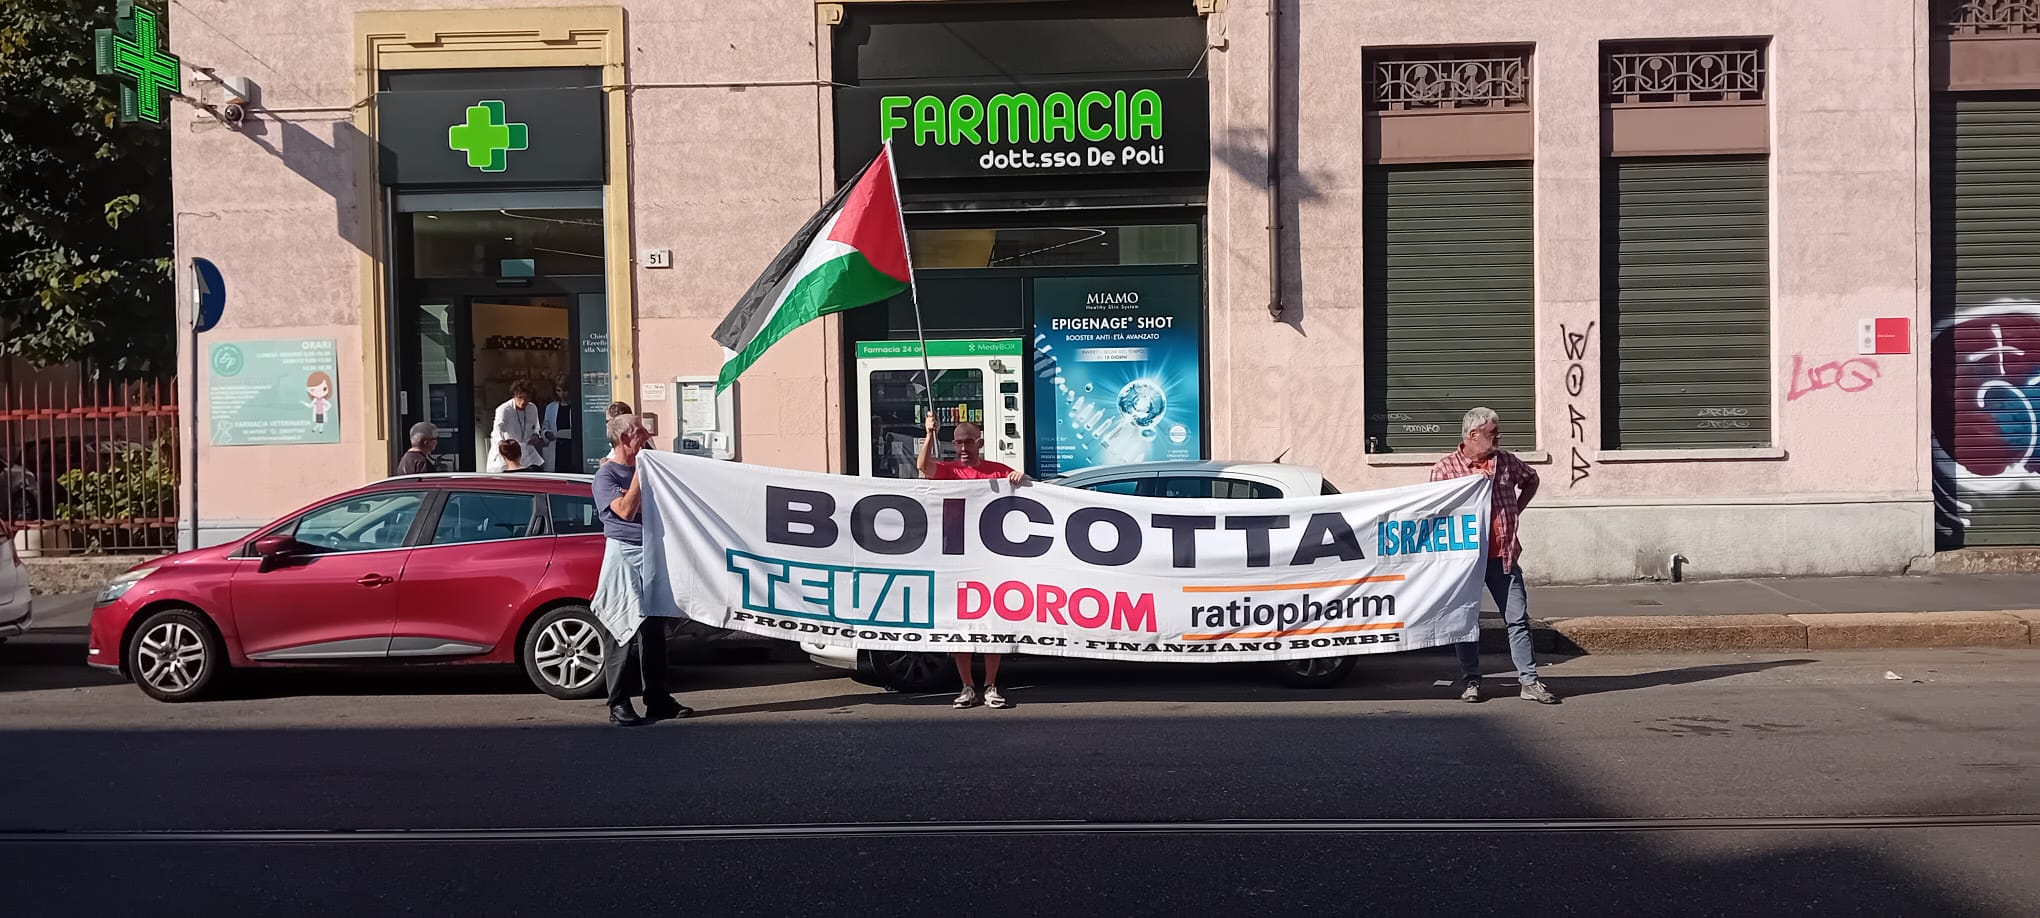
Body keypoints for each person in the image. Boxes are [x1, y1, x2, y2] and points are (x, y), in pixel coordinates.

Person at [1429, 407, 1561, 705]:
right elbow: (1435, 512)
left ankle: (1529, 681)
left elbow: (1531, 479)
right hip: (1465, 562)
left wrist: (1515, 509)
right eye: (1493, 433)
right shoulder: (1445, 469)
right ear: (1473, 435)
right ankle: (1471, 680)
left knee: (1517, 619)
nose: (1498, 438)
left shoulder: (1506, 462)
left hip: (1503, 556)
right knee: (1465, 622)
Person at [916, 409, 1026, 710]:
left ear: (980, 443)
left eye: (968, 442)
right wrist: (930, 433)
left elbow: (1029, 489)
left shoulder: (996, 470)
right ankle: (967, 687)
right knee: (961, 627)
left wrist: (1021, 477)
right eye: (958, 442)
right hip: (956, 559)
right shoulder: (950, 470)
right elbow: (923, 467)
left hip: (990, 559)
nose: (962, 448)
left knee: (991, 624)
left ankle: (990, 686)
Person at [592, 413, 688, 727]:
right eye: (639, 432)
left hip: (651, 553)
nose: (646, 435)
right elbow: (624, 510)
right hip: (623, 554)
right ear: (624, 439)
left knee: (653, 631)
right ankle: (618, 703)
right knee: (620, 627)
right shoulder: (606, 476)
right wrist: (640, 477)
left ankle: (658, 699)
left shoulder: (649, 469)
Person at [488, 381, 549, 472]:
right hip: (508, 453)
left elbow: (536, 427)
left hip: (526, 451)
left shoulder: (532, 408)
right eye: (520, 397)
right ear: (514, 395)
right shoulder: (504, 409)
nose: (523, 401)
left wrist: (535, 435)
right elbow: (497, 430)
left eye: (527, 398)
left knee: (536, 469)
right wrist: (502, 444)